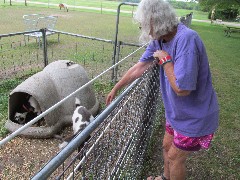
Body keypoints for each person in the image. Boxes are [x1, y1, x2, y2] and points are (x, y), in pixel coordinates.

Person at [106, 0, 219, 179]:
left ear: (155, 21)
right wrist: (116, 87)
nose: (142, 28)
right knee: (166, 146)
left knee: (175, 157)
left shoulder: (186, 39)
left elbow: (182, 89)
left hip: (194, 115)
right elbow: (139, 67)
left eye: (144, 23)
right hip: (176, 113)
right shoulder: (159, 41)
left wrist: (166, 61)